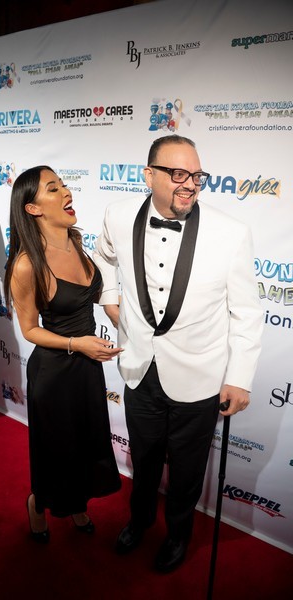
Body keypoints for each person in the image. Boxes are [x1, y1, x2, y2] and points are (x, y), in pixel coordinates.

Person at [92, 135, 263, 573]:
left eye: (197, 176)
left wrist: (239, 377)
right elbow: (103, 258)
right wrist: (109, 298)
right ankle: (140, 520)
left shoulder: (231, 233)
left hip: (199, 377)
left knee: (187, 471)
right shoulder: (117, 214)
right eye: (179, 174)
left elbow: (246, 312)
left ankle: (178, 535)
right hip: (138, 369)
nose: (190, 184)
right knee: (144, 459)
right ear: (148, 175)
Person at [4, 165, 122, 542]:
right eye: (53, 189)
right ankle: (38, 504)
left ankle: (76, 503)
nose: (66, 192)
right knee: (57, 451)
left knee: (85, 444)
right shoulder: (26, 264)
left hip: (87, 370)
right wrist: (77, 343)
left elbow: (95, 295)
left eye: (64, 185)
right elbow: (29, 329)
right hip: (54, 374)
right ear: (33, 208)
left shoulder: (76, 240)